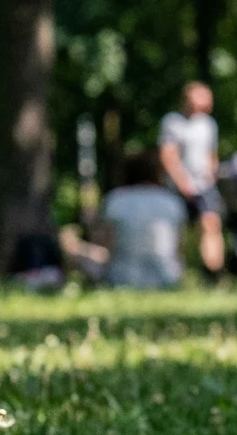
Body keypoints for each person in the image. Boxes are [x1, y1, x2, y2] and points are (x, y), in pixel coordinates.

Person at [60, 151, 187, 288]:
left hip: (122, 277)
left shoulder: (116, 200)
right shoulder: (172, 202)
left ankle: (63, 283)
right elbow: (179, 249)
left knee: (69, 242)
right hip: (167, 277)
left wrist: (90, 227)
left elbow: (106, 248)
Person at [159, 81, 225, 273]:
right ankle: (176, 272)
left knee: (210, 223)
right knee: (177, 230)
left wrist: (212, 174)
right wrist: (182, 182)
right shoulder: (173, 122)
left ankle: (213, 270)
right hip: (178, 186)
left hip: (204, 184)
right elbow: (168, 155)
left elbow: (211, 154)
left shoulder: (208, 124)